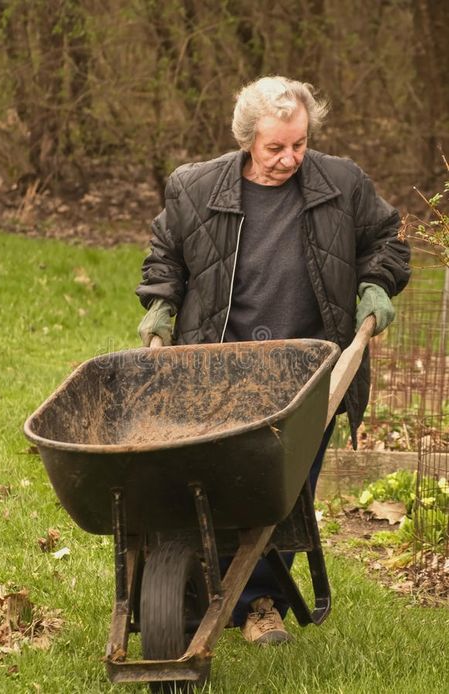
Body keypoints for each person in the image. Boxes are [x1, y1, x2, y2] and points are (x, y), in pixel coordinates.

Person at [136, 76, 411, 645]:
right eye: (276, 148)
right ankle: (188, 596)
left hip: (310, 372)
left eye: (300, 144)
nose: (291, 158)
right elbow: (166, 254)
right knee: (207, 487)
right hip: (219, 366)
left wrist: (376, 284)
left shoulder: (343, 183)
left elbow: (386, 239)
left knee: (281, 494)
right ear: (246, 141)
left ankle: (259, 601)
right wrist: (162, 307)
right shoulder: (194, 188)